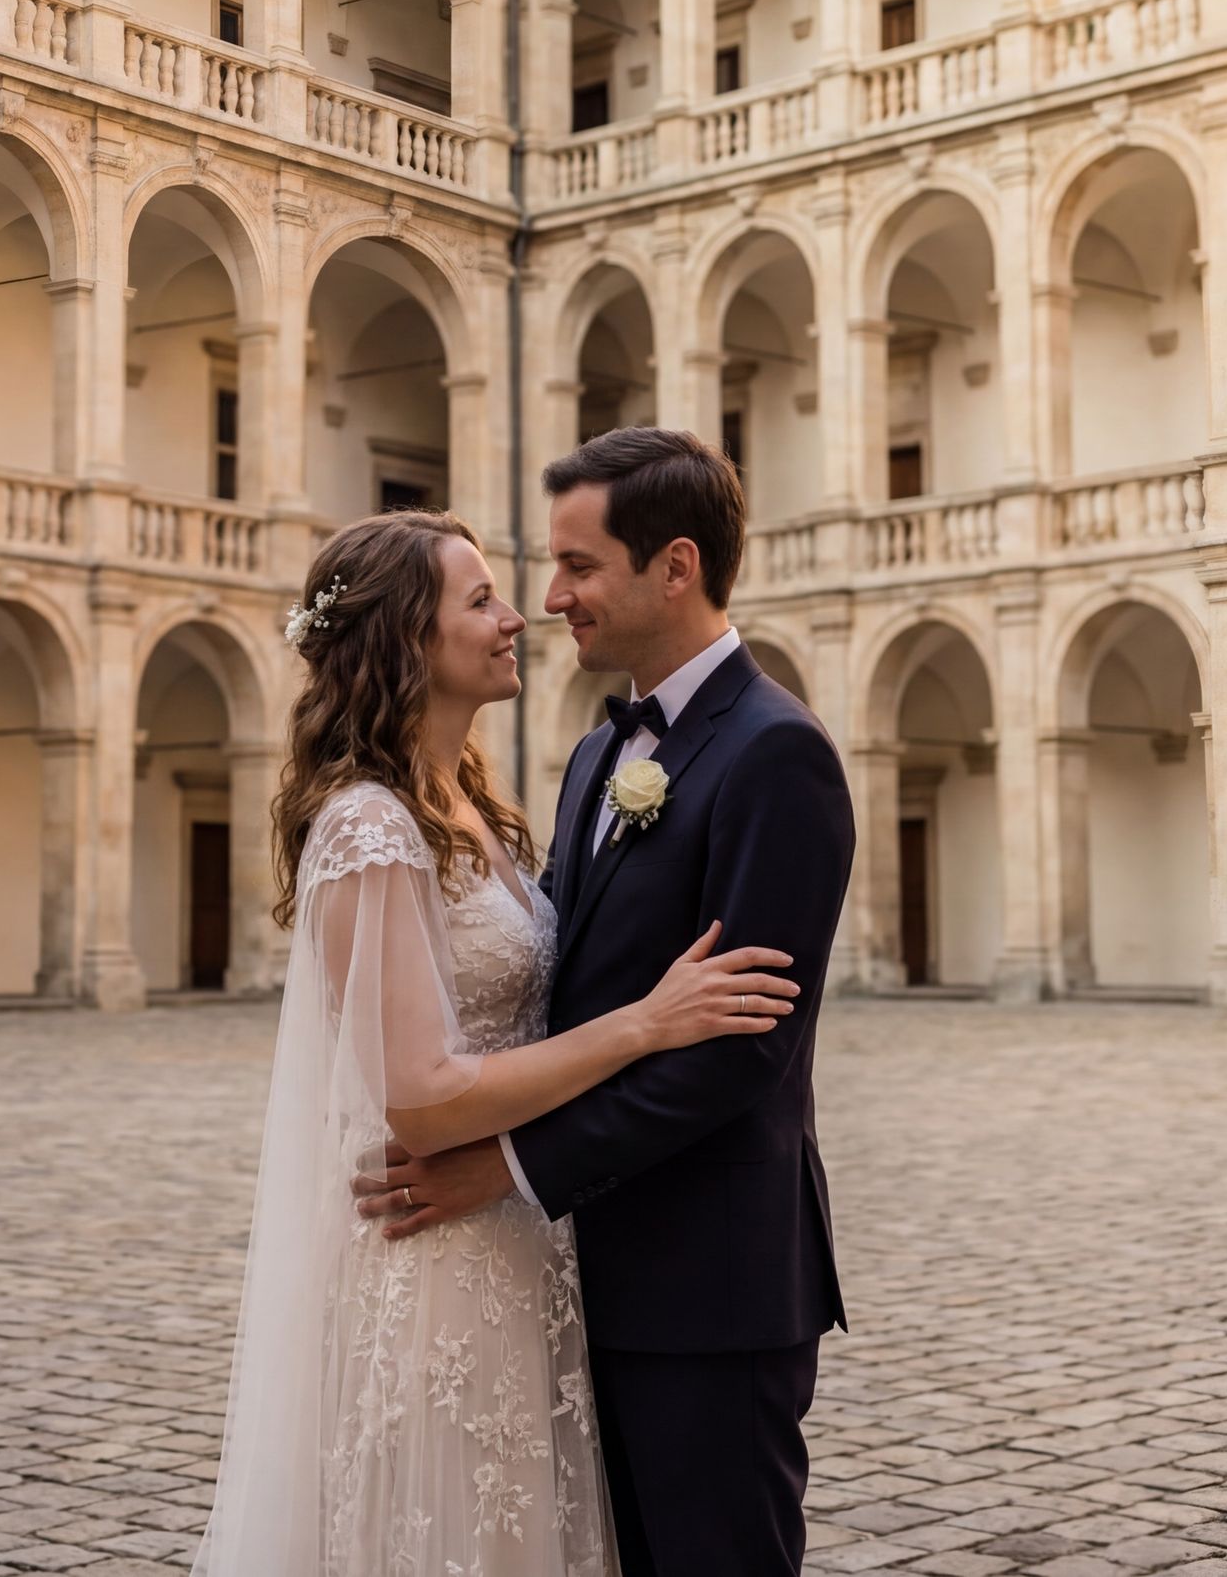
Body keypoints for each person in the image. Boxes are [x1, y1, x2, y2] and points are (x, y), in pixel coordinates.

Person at [192, 505, 803, 1577]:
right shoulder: (367, 824)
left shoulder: (474, 800)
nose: (521, 614)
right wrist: (646, 1023)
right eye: (480, 600)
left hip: (527, 1245)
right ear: (405, 642)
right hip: (441, 1260)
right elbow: (418, 1096)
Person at [354, 428, 857, 1577]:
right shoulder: (594, 756)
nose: (552, 596)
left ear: (673, 567)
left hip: (709, 1288)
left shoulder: (779, 754)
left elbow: (737, 1056)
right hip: (568, 1279)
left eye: (579, 566)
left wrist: (507, 1167)